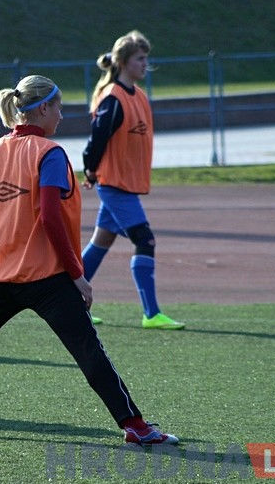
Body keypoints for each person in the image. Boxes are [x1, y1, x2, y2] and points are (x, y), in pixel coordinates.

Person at [0, 75, 179, 445]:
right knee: (88, 350)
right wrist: (77, 274)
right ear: (43, 107)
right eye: (58, 107)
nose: (61, 115)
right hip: (47, 279)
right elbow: (50, 217)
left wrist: (0, 250)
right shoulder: (50, 153)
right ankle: (135, 427)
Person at [81, 30, 184, 330]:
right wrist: (90, 170)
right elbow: (96, 140)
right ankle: (151, 314)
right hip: (114, 184)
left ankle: (70, 303)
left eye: (146, 58)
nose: (145, 64)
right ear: (124, 62)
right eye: (140, 58)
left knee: (102, 240)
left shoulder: (138, 95)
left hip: (125, 183)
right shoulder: (112, 98)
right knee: (145, 240)